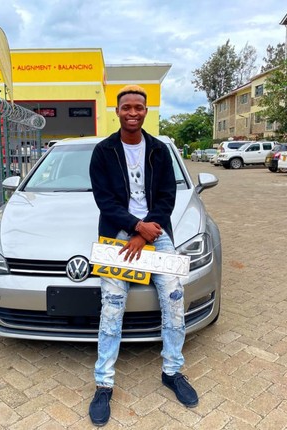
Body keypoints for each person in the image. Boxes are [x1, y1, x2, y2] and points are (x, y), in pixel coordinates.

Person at [87, 85, 197, 426]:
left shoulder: (160, 150)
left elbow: (167, 197)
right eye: (126, 107)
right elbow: (104, 199)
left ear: (145, 111)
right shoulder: (104, 151)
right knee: (112, 304)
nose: (132, 112)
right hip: (117, 235)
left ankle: (172, 370)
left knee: (174, 297)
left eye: (138, 107)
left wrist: (145, 231)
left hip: (157, 232)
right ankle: (104, 383)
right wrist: (135, 229)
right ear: (117, 112)